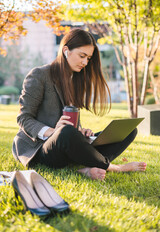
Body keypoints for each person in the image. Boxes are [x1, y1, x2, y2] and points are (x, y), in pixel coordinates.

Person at [12, 29, 147, 180]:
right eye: (82, 56)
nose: (85, 62)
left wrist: (81, 132)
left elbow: (72, 124)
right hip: (39, 149)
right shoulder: (39, 75)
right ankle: (113, 167)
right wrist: (52, 131)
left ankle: (85, 167)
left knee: (127, 131)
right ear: (66, 51)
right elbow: (23, 118)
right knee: (66, 133)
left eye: (88, 58)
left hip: (68, 143)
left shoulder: (75, 80)